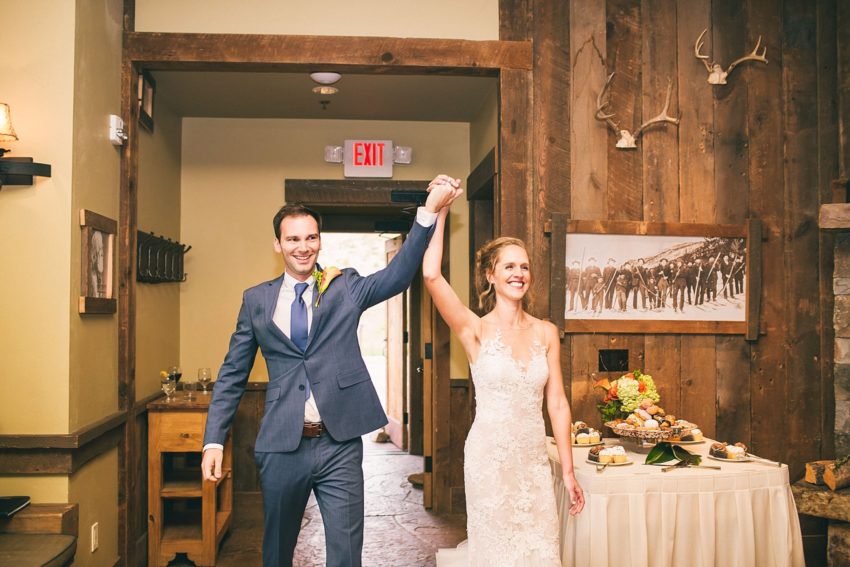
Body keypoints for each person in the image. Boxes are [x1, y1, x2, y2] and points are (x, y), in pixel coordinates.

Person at [200, 174, 463, 567]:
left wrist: (429, 212)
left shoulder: (345, 288)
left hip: (338, 445)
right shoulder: (256, 301)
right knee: (276, 552)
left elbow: (398, 275)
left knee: (345, 555)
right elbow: (232, 373)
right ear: (278, 245)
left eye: (310, 238)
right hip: (281, 446)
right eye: (293, 239)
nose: (303, 247)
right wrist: (214, 440)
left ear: (319, 240)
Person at [425, 212, 584, 566]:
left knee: (539, 550)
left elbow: (556, 403)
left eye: (524, 267)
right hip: (489, 459)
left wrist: (569, 471)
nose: (519, 274)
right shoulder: (474, 330)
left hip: (533, 460)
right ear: (490, 275)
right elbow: (432, 276)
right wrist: (439, 213)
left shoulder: (546, 332)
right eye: (509, 266)